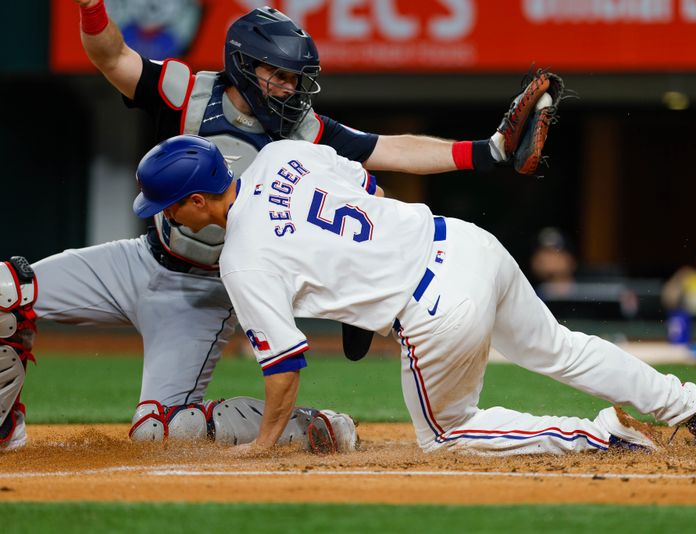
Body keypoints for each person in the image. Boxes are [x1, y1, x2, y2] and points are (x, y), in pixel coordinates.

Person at [0, 2, 556, 451]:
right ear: (245, 65)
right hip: (140, 258)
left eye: (296, 78)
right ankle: (6, 429)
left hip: (205, 293)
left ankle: (312, 428)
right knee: (6, 289)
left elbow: (392, 151)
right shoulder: (189, 91)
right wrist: (92, 7)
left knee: (160, 432)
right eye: (280, 75)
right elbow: (112, 57)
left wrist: (487, 151)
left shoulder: (304, 128)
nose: (291, 88)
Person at [134, 134, 696, 456]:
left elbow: (285, 367)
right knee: (562, 348)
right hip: (464, 241)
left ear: (193, 202)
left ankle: (601, 435)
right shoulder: (280, 155)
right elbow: (366, 185)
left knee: (446, 435)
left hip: (434, 305)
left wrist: (266, 443)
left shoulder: (241, 258)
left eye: (167, 207)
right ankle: (694, 405)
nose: (167, 218)